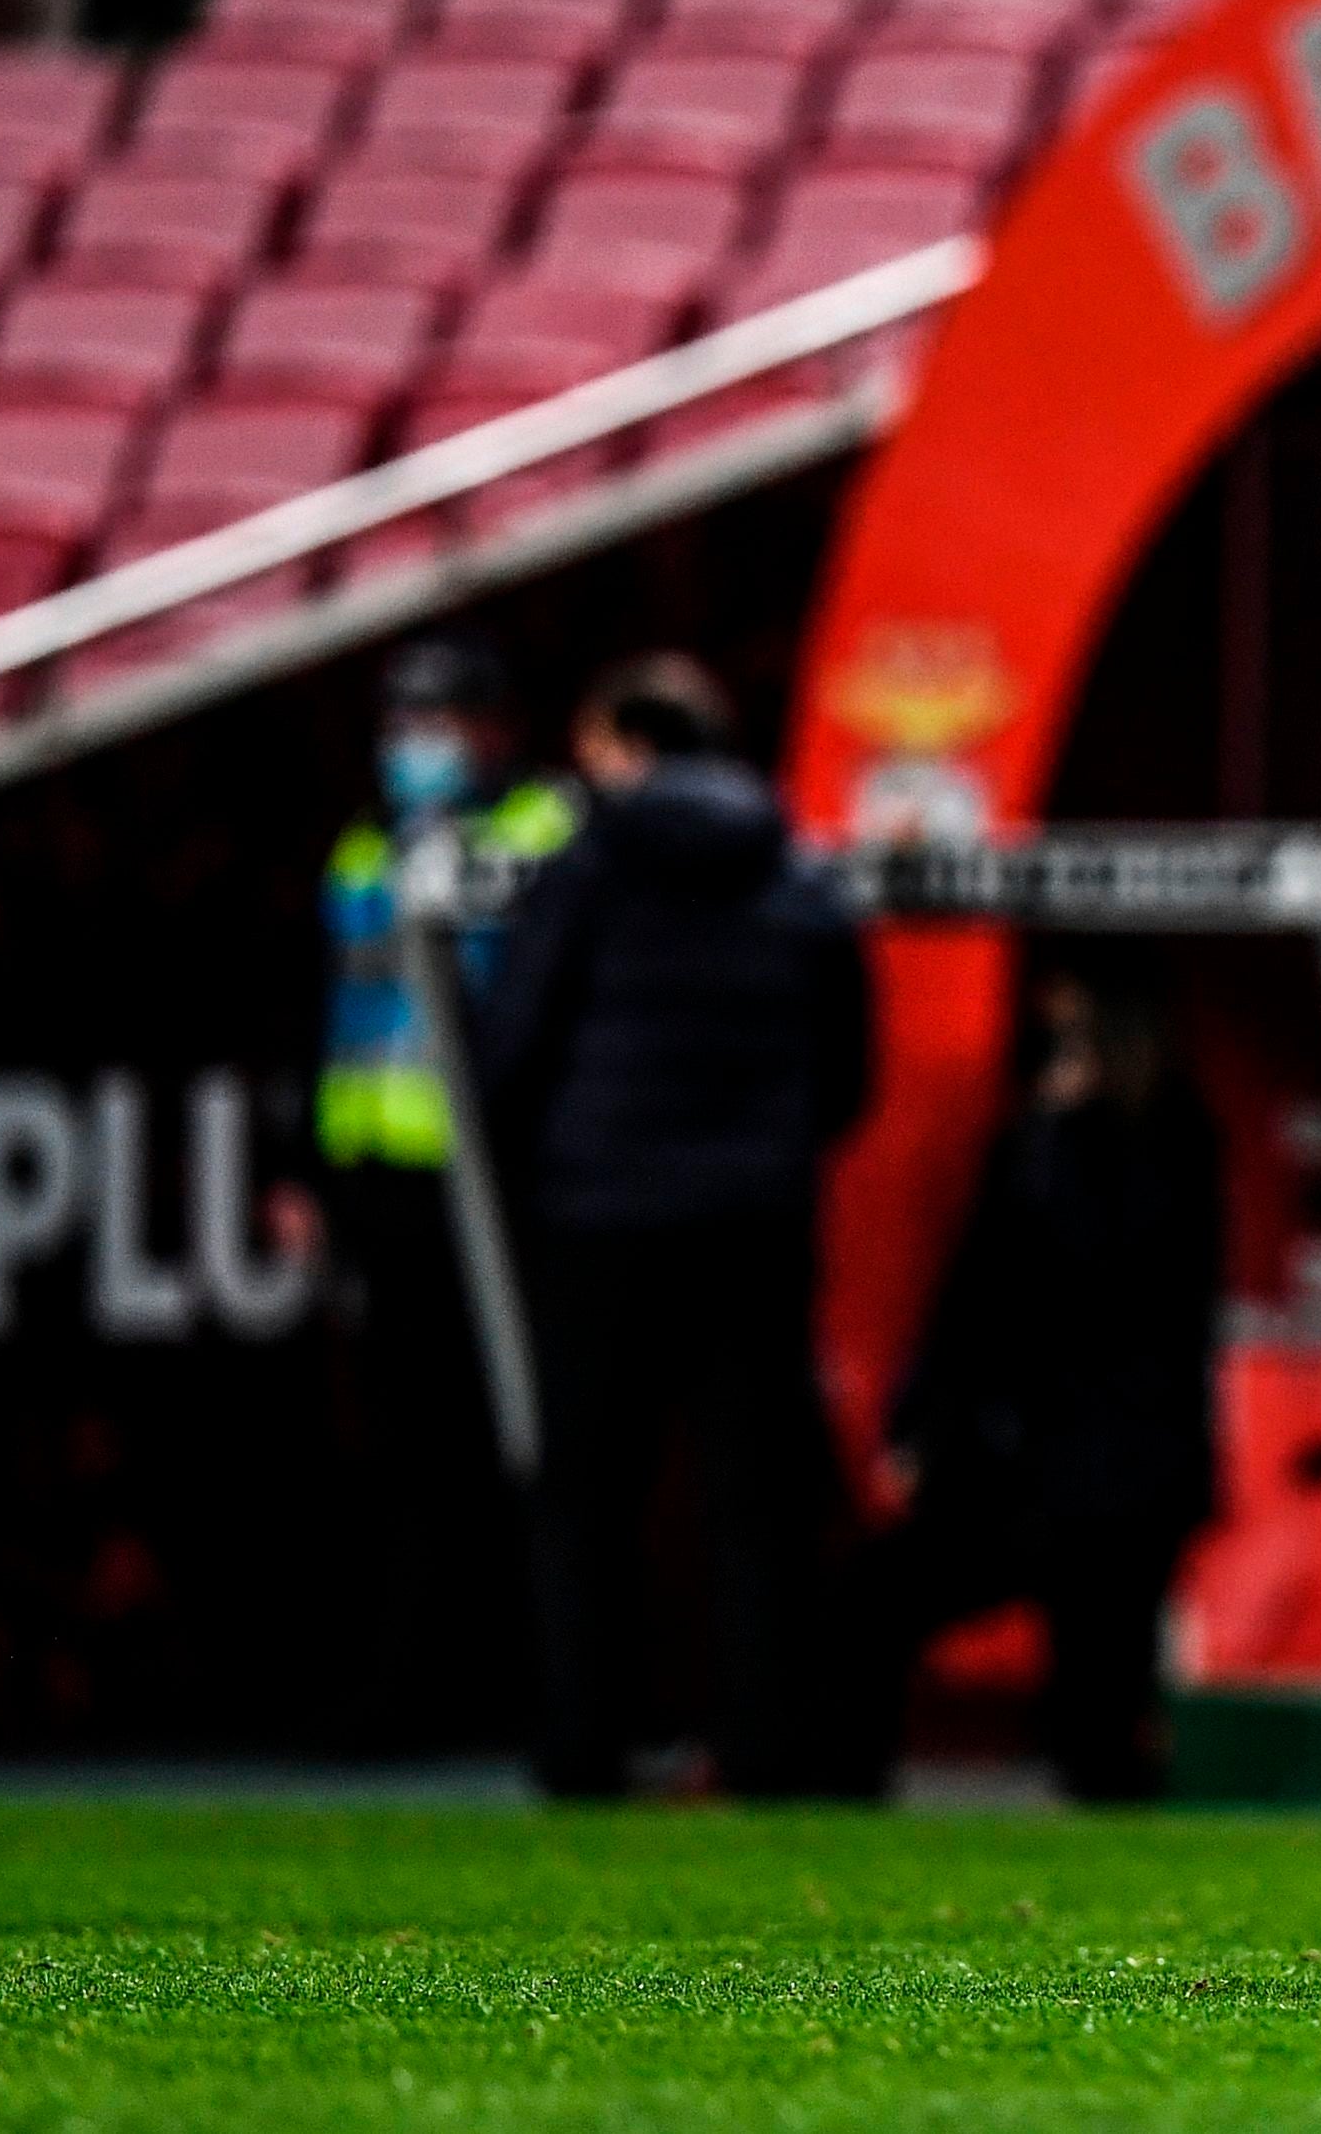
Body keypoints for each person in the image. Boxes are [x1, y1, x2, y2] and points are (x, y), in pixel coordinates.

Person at [473, 653, 877, 1797]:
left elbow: (516, 1039)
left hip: (598, 1218)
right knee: (755, 1497)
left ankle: (580, 1747)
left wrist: (553, 1154)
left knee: (584, 1490)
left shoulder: (585, 869)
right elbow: (850, 1067)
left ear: (630, 750)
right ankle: (762, 1749)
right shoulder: (798, 872)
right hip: (753, 1218)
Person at [286, 635, 578, 1746]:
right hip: (383, 1192)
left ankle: (535, 1690)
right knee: (408, 1452)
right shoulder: (365, 849)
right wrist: (307, 1172)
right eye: (406, 725)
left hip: (505, 1184)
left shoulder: (547, 834)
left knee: (521, 1443)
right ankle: (405, 1691)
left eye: (446, 721)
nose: (423, 746)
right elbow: (321, 1012)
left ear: (501, 727)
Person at [844, 958, 1224, 1799]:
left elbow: (1044, 1292)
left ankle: (1117, 1868)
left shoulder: (1130, 1147)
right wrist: (926, 1428)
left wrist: (1061, 1137)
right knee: (882, 1606)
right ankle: (838, 1790)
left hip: (1095, 1471)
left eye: (1075, 1035)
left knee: (1097, 1707)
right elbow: (974, 1303)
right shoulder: (1063, 1145)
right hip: (1052, 1465)